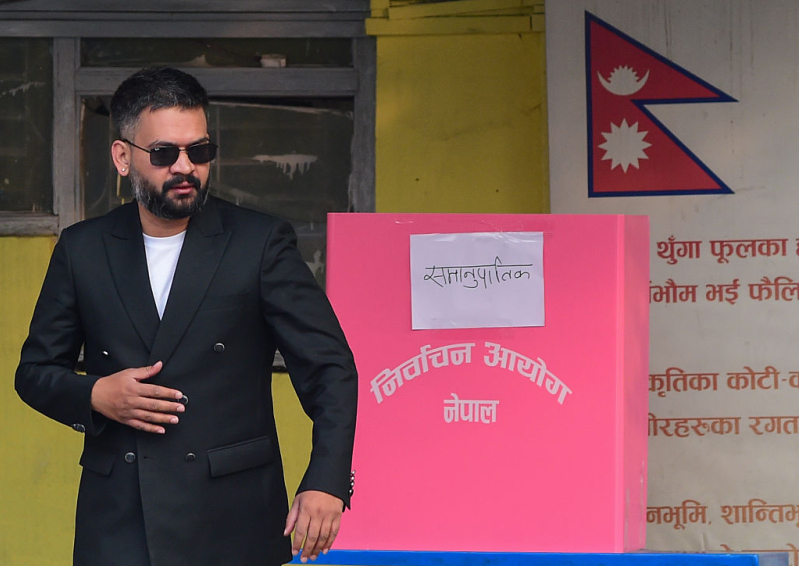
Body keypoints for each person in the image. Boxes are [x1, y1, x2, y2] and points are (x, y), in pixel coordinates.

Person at [15, 67, 358, 566]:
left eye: (199, 151)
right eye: (163, 153)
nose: (185, 167)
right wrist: (95, 395)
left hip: (232, 515)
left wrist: (327, 480)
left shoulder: (259, 243)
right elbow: (34, 372)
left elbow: (330, 368)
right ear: (122, 157)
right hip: (119, 519)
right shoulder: (83, 248)